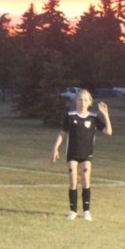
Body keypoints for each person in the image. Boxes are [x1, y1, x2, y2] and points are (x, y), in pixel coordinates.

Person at [50, 89, 113, 221]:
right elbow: (62, 133)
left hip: (86, 154)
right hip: (72, 153)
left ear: (90, 102)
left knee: (85, 180)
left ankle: (86, 211)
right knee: (73, 180)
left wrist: (106, 115)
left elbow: (108, 131)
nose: (82, 102)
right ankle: (72, 211)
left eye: (85, 100)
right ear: (76, 101)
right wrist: (55, 148)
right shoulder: (70, 116)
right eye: (80, 99)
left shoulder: (94, 117)